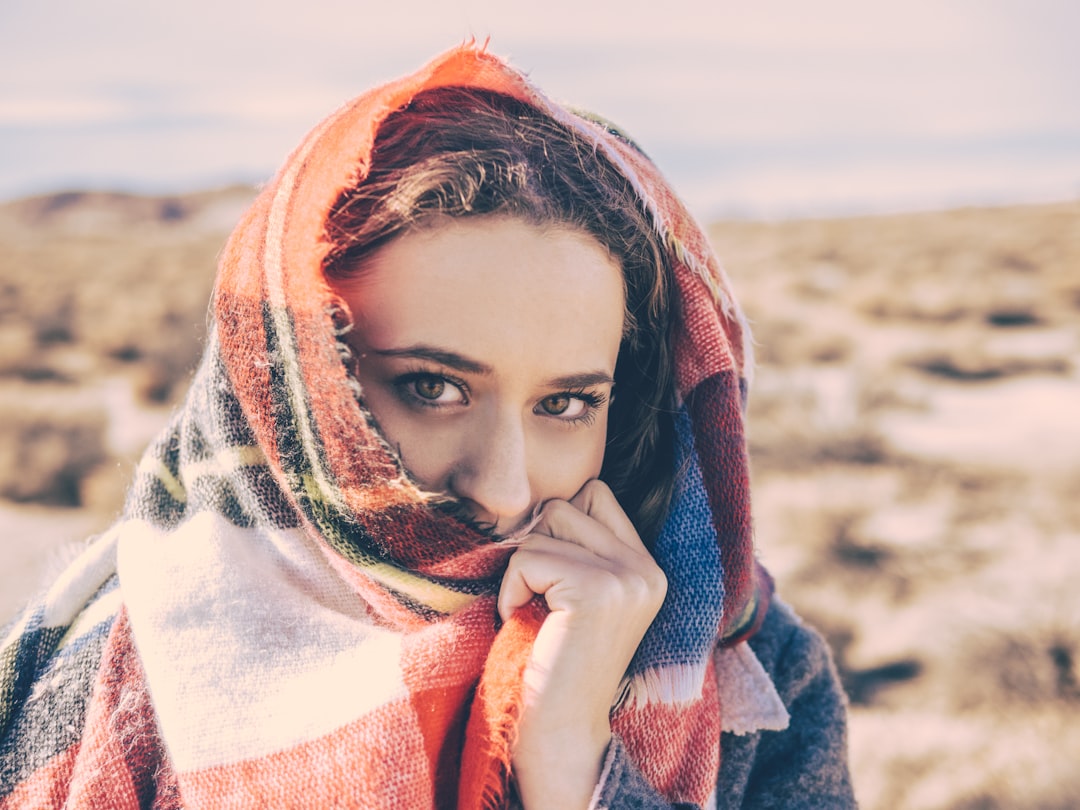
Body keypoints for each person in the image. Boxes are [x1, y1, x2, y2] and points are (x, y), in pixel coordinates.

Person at [0, 44, 855, 808]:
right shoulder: (115, 677)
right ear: (301, 387)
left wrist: (575, 765)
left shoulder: (754, 676)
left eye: (565, 403)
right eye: (433, 387)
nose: (506, 489)